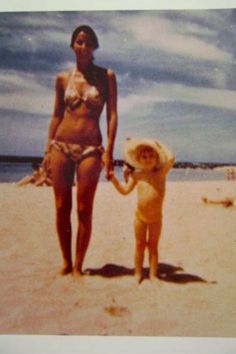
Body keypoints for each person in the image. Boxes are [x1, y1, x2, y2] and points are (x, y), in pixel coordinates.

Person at [42, 25, 117, 276]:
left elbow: (112, 115)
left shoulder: (106, 76)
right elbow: (55, 115)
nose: (83, 46)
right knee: (62, 206)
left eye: (88, 42)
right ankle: (66, 261)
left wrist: (109, 151)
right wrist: (46, 151)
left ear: (95, 47)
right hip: (61, 146)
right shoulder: (62, 79)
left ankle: (78, 265)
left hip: (90, 149)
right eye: (79, 42)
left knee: (85, 208)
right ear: (72, 45)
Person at [110, 138, 175, 284]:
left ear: (157, 158)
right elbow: (125, 191)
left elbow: (171, 159)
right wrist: (114, 180)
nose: (148, 159)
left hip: (156, 218)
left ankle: (153, 275)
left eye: (151, 156)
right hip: (140, 217)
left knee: (153, 247)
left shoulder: (160, 174)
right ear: (138, 160)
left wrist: (158, 145)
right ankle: (137, 274)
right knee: (139, 246)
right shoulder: (136, 175)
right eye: (144, 157)